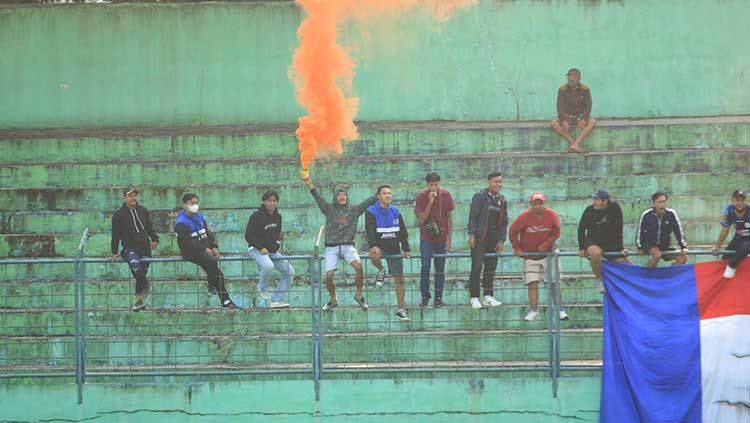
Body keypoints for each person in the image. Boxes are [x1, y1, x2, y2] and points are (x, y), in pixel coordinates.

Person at [302, 175, 377, 311]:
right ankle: (333, 299)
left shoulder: (354, 210)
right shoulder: (329, 209)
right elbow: (318, 198)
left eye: (344, 195)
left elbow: (368, 202)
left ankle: (359, 295)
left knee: (359, 268)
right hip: (332, 246)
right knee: (329, 276)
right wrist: (309, 184)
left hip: (348, 245)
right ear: (335, 198)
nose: (342, 197)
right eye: (339, 195)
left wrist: (379, 195)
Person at [509, 192, 567, 321]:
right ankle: (533, 310)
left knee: (554, 282)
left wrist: (546, 244)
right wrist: (517, 248)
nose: (538, 206)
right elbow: (512, 232)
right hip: (530, 255)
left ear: (544, 204)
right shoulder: (524, 216)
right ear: (531, 204)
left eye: (540, 203)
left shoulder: (552, 215)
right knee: (532, 283)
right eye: (535, 203)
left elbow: (556, 232)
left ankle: (560, 309)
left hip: (549, 254)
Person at [174, 193, 236, 309]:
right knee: (213, 265)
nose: (194, 205)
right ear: (185, 205)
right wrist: (204, 249)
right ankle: (223, 296)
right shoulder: (181, 223)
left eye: (196, 203)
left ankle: (222, 296)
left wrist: (214, 246)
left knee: (215, 269)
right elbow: (187, 243)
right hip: (190, 252)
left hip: (203, 248)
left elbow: (208, 233)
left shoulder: (199, 217)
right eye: (191, 203)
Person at [110, 186, 159, 312]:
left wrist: (154, 239)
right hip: (130, 247)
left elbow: (149, 227)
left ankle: (138, 301)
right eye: (130, 195)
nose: (133, 198)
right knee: (136, 267)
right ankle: (146, 284)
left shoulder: (143, 210)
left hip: (145, 246)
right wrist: (114, 251)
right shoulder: (118, 214)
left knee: (142, 271)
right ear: (125, 197)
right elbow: (115, 234)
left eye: (134, 195)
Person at [366, 185, 412, 321]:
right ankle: (381, 270)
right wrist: (373, 245)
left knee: (399, 279)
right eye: (385, 193)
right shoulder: (371, 211)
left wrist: (406, 248)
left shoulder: (396, 211)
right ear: (379, 196)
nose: (388, 195)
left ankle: (401, 309)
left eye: (390, 193)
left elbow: (402, 232)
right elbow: (370, 231)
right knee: (374, 253)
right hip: (380, 247)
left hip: (394, 248)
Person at [245, 190, 293, 308]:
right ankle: (262, 286)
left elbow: (276, 234)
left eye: (275, 201)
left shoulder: (278, 217)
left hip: (271, 251)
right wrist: (260, 247)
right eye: (269, 201)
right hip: (256, 249)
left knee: (290, 272)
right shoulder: (256, 216)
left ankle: (276, 300)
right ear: (264, 202)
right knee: (268, 266)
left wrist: (276, 246)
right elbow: (248, 235)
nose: (272, 203)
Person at [467, 171, 507, 309]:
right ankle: (474, 297)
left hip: (494, 240)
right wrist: (471, 234)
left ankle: (488, 296)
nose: (498, 184)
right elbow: (473, 216)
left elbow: (504, 222)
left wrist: (501, 240)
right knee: (477, 267)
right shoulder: (480, 197)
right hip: (479, 238)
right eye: (496, 181)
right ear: (489, 182)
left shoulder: (502, 200)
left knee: (490, 268)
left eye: (500, 182)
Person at [577, 189, 629, 293]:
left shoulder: (615, 208)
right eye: (593, 199)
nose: (594, 202)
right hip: (593, 241)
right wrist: (582, 248)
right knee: (595, 254)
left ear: (605, 201)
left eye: (597, 200)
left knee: (628, 266)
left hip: (610, 243)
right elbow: (581, 229)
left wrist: (620, 248)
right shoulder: (589, 210)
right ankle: (599, 280)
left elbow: (619, 228)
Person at [414, 172, 454, 308]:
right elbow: (421, 219)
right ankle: (425, 297)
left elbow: (449, 217)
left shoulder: (447, 195)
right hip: (426, 237)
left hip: (442, 237)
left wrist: (449, 238)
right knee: (425, 266)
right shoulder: (421, 197)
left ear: (439, 183)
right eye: (431, 185)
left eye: (436, 185)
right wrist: (430, 202)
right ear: (427, 185)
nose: (434, 188)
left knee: (440, 267)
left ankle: (438, 298)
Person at [550, 68, 596, 154]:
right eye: (569, 77)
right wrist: (565, 119)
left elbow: (588, 106)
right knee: (553, 123)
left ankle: (576, 143)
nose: (571, 79)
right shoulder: (562, 89)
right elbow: (559, 106)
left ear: (579, 78)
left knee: (592, 122)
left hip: (580, 115)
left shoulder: (585, 89)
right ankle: (573, 143)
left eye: (574, 77)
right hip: (567, 115)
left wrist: (584, 118)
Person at [636, 191, 688, 268]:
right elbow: (640, 231)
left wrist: (683, 247)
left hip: (665, 245)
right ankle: (646, 276)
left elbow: (678, 230)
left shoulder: (671, 214)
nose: (662, 204)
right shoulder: (646, 215)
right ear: (654, 204)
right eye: (659, 202)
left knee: (683, 258)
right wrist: (639, 247)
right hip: (650, 245)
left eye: (664, 202)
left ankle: (668, 276)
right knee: (657, 255)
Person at [712, 189, 750, 278]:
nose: (740, 203)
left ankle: (732, 266)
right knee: (725, 257)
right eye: (737, 200)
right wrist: (717, 246)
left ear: (746, 200)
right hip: (739, 236)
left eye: (742, 200)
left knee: (745, 247)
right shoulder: (729, 210)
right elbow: (725, 229)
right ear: (732, 200)